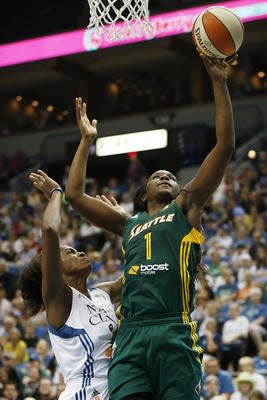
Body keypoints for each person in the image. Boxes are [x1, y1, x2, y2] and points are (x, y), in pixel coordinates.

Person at [65, 52, 236, 400]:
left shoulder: (186, 207)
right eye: (158, 175)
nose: (165, 176)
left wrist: (218, 83)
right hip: (130, 333)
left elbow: (224, 146)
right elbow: (75, 195)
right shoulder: (129, 223)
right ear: (143, 196)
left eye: (171, 176)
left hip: (172, 327)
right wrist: (86, 141)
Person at [18, 171, 122, 400]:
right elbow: (50, 230)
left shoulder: (101, 294)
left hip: (116, 390)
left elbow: (139, 273)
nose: (81, 252)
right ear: (56, 268)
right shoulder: (59, 301)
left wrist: (126, 225)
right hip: (83, 394)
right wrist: (56, 194)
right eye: (71, 253)